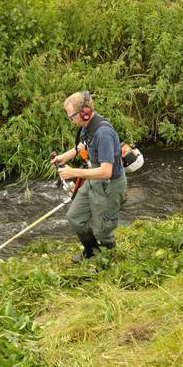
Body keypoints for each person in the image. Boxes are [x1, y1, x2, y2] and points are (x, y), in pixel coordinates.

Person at [52, 91, 127, 262]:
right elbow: (82, 145)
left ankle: (108, 262)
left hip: (110, 185)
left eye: (71, 116)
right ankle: (92, 252)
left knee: (103, 230)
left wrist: (74, 172)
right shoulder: (88, 127)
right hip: (94, 180)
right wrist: (65, 156)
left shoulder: (103, 134)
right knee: (75, 218)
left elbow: (106, 171)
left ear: (84, 113)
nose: (71, 120)